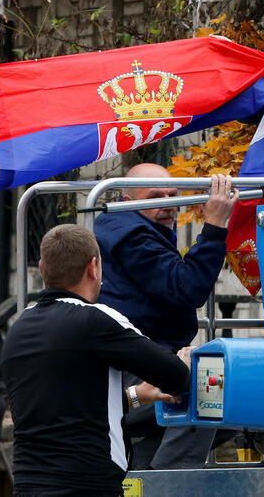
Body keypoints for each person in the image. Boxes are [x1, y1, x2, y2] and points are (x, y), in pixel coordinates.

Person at [2, 224, 191, 496]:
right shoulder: (97, 319)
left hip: (27, 485)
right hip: (88, 484)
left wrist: (136, 396)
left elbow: (66, 406)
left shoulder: (19, 328)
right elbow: (175, 377)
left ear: (42, 269)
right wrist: (184, 362)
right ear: (93, 268)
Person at [94, 164, 237, 469]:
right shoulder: (132, 237)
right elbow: (186, 289)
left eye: (172, 195)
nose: (167, 205)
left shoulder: (137, 229)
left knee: (241, 400)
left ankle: (141, 469)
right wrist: (214, 226)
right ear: (128, 200)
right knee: (208, 392)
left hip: (143, 359)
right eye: (155, 197)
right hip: (129, 372)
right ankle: (170, 482)